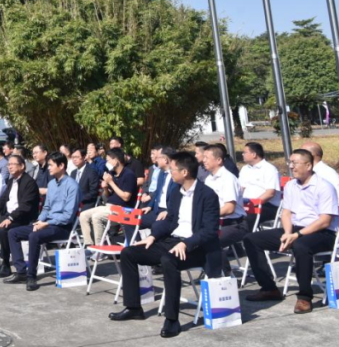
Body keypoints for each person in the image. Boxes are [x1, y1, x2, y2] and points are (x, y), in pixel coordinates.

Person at [108, 151, 221, 339]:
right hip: (173, 241)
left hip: (196, 247)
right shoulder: (176, 192)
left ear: (184, 172)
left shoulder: (207, 195)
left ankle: (172, 319)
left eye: (173, 169)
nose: (170, 172)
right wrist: (153, 236)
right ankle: (134, 307)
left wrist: (186, 243)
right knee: (128, 253)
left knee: (168, 260)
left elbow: (210, 231)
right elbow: (170, 221)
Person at [242, 148, 339, 314]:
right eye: (290, 162)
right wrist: (288, 233)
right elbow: (286, 213)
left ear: (308, 165)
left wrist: (296, 235)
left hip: (322, 233)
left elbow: (325, 221)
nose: (291, 166)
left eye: (295, 163)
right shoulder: (291, 185)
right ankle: (269, 288)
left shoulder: (324, 186)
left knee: (301, 246)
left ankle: (304, 297)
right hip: (295, 229)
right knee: (251, 239)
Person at [6, 152, 79, 290]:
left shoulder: (72, 186)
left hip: (62, 227)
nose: (49, 168)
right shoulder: (52, 184)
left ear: (61, 165)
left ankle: (31, 276)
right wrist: (39, 221)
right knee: (13, 232)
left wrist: (46, 223)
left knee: (34, 236)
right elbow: (46, 208)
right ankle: (21, 271)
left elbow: (68, 216)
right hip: (47, 224)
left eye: (51, 165)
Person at [0, 154, 39, 276]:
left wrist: (10, 218)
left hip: (22, 218)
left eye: (13, 164)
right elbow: (2, 200)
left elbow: (25, 206)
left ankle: (6, 264)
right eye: (9, 164)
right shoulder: (11, 181)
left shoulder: (29, 183)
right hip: (9, 215)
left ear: (22, 166)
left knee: (3, 229)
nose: (10, 167)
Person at [202, 145, 247, 275]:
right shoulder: (209, 179)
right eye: (203, 157)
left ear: (219, 160)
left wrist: (207, 215)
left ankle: (224, 275)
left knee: (210, 241)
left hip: (235, 224)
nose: (204, 160)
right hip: (216, 223)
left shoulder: (228, 179)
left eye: (207, 157)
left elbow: (229, 208)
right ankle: (212, 271)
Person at [79, 149, 137, 246]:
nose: (107, 163)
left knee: (96, 217)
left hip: (122, 210)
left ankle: (99, 247)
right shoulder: (113, 174)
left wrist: (111, 182)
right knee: (83, 215)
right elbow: (108, 195)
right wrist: (106, 188)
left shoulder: (129, 175)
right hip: (109, 207)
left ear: (116, 161)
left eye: (108, 160)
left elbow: (126, 197)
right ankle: (89, 245)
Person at [238, 141, 281, 229]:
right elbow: (241, 188)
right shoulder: (245, 169)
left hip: (267, 205)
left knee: (246, 218)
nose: (242, 154)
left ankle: (245, 236)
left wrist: (254, 204)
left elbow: (270, 193)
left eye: (245, 152)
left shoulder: (269, 169)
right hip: (246, 203)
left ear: (254, 154)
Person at [301, 141, 339, 215]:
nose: (298, 156)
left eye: (302, 154)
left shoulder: (327, 173)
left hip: (330, 215)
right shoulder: (306, 173)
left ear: (311, 156)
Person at [139, 148, 176, 231]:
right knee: (131, 219)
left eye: (158, 157)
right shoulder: (161, 173)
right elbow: (158, 191)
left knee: (156, 227)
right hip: (156, 209)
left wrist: (168, 211)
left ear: (165, 160)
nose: (156, 159)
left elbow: (177, 198)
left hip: (167, 212)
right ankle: (139, 239)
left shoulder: (176, 176)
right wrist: (149, 206)